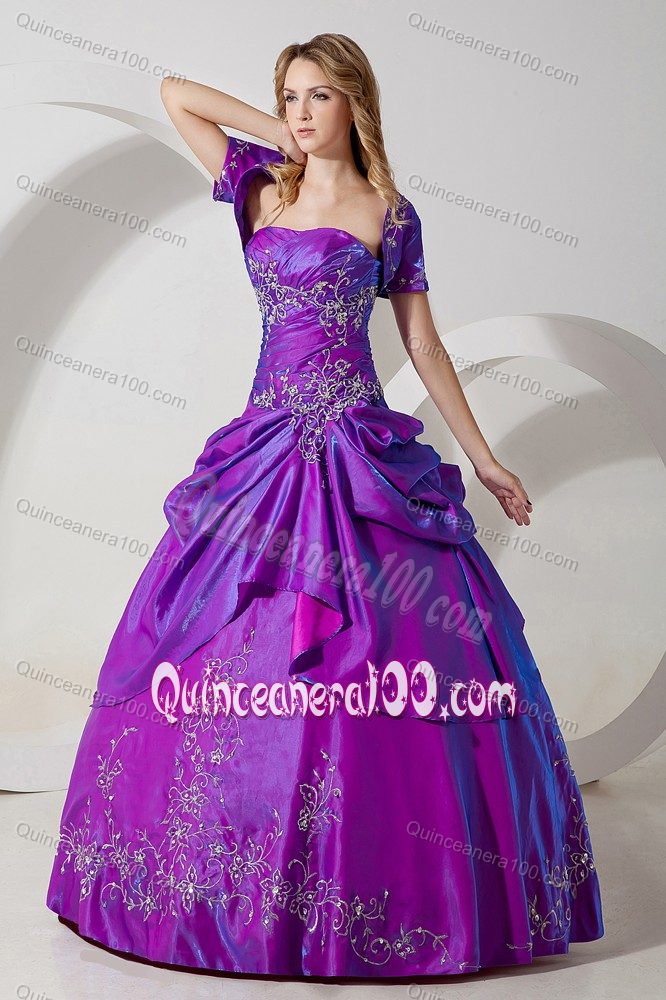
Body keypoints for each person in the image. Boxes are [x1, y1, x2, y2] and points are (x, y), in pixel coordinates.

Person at [46, 33, 604, 980]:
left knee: (392, 661)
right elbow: (177, 93)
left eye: (319, 97)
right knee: (214, 645)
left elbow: (424, 346)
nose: (302, 113)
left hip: (359, 455)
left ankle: (402, 883)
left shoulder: (391, 213)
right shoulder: (262, 190)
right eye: (291, 97)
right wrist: (279, 137)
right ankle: (215, 892)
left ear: (356, 104)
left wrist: (484, 458)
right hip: (265, 453)